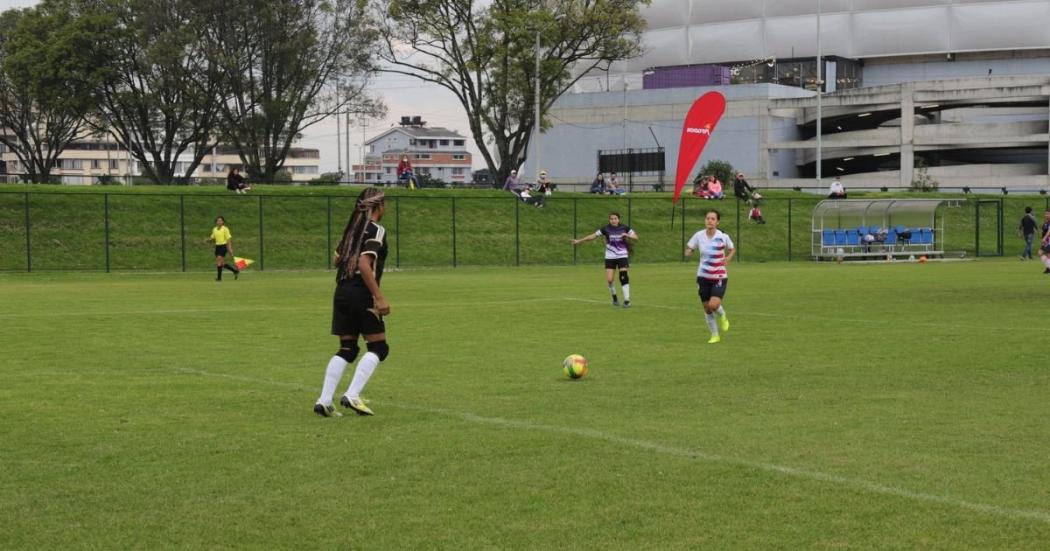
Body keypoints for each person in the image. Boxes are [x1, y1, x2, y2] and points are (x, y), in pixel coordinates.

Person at [314, 187, 391, 417]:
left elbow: (337, 258)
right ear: (378, 206)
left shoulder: (352, 230)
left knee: (348, 348)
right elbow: (364, 264)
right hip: (361, 293)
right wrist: (379, 297)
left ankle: (325, 400)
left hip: (342, 291)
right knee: (379, 347)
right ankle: (352, 395)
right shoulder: (376, 230)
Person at [685, 210, 736, 344]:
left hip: (719, 275)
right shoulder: (698, 235)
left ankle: (723, 315)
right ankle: (715, 335)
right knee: (707, 308)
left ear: (717, 222)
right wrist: (689, 251)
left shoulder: (723, 236)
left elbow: (732, 249)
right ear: (705, 220)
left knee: (714, 305)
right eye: (708, 218)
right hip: (703, 276)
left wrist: (728, 258)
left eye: (713, 219)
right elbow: (690, 247)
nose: (710, 221)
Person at [571, 212, 639, 308]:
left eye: (615, 218)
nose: (613, 220)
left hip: (622, 255)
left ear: (618, 219)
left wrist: (627, 235)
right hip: (610, 256)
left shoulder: (625, 228)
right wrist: (579, 240)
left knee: (623, 275)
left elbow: (636, 237)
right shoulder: (605, 228)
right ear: (609, 220)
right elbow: (593, 236)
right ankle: (614, 298)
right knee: (610, 280)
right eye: (611, 219)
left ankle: (627, 300)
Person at [206, 216, 240, 281]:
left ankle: (219, 278)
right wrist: (209, 240)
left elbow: (228, 239)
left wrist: (230, 249)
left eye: (220, 220)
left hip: (223, 246)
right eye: (218, 220)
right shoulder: (214, 229)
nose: (219, 222)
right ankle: (235, 271)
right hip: (217, 247)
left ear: (223, 222)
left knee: (219, 261)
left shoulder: (225, 229)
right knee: (221, 263)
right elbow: (213, 237)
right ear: (216, 222)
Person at [1040, 209, 1050, 274]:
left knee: (1047, 254)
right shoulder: (1045, 222)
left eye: (1048, 214)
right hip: (1046, 241)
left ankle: (1048, 268)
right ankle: (1048, 268)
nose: (1046, 215)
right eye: (1045, 214)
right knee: (1040, 253)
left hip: (1048, 240)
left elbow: (1049, 231)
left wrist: (1044, 238)